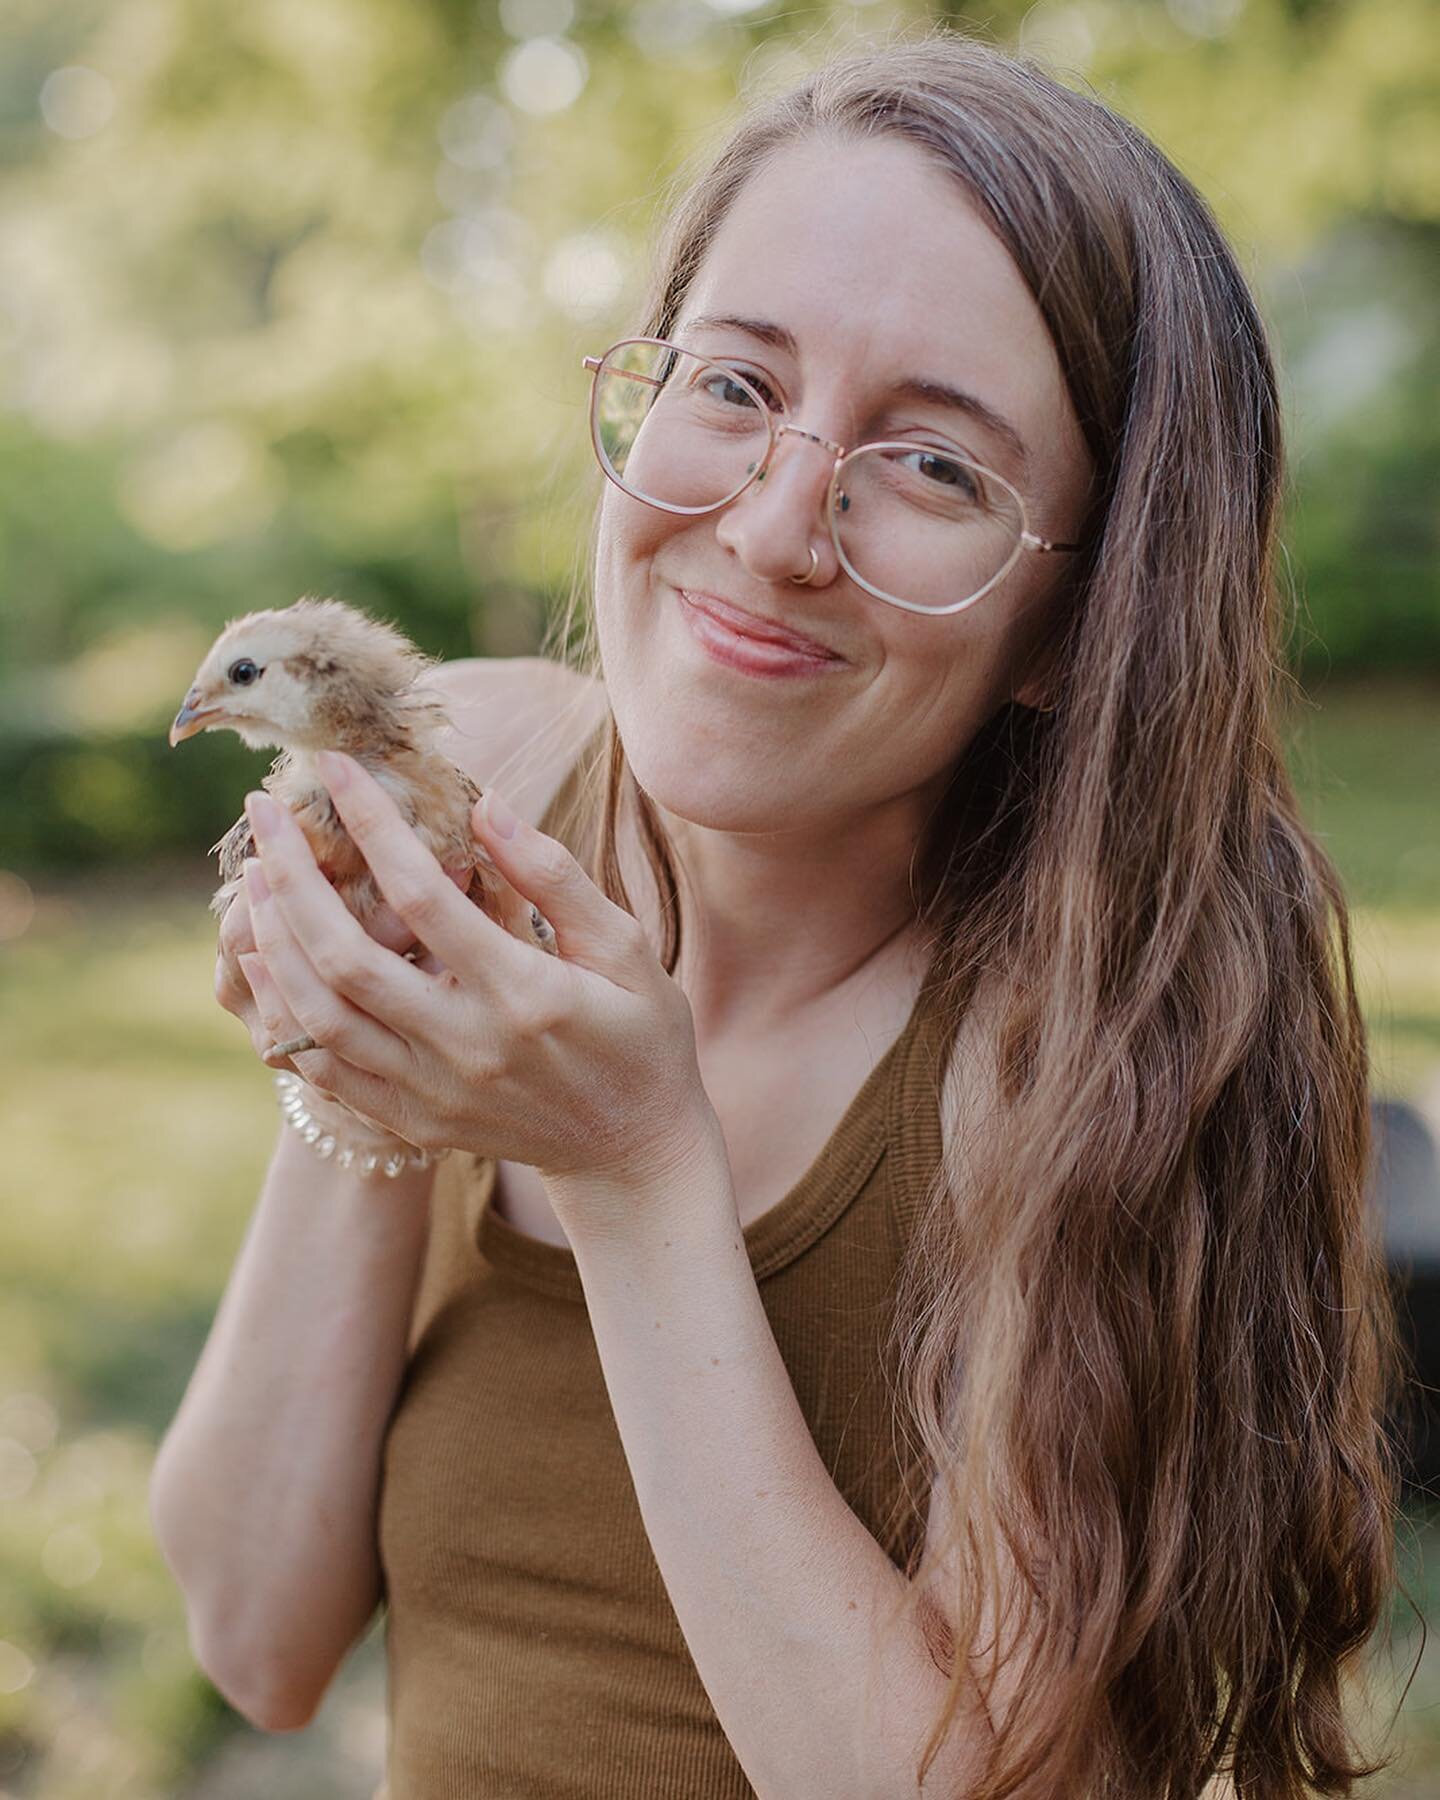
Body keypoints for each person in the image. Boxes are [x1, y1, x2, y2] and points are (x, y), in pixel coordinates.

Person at [149, 29, 1405, 1800]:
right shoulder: (478, 773)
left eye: (937, 467)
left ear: (1073, 623)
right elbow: (254, 1632)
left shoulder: (1089, 1044)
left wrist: (639, 1170)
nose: (768, 529)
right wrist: (373, 1045)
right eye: (733, 385)